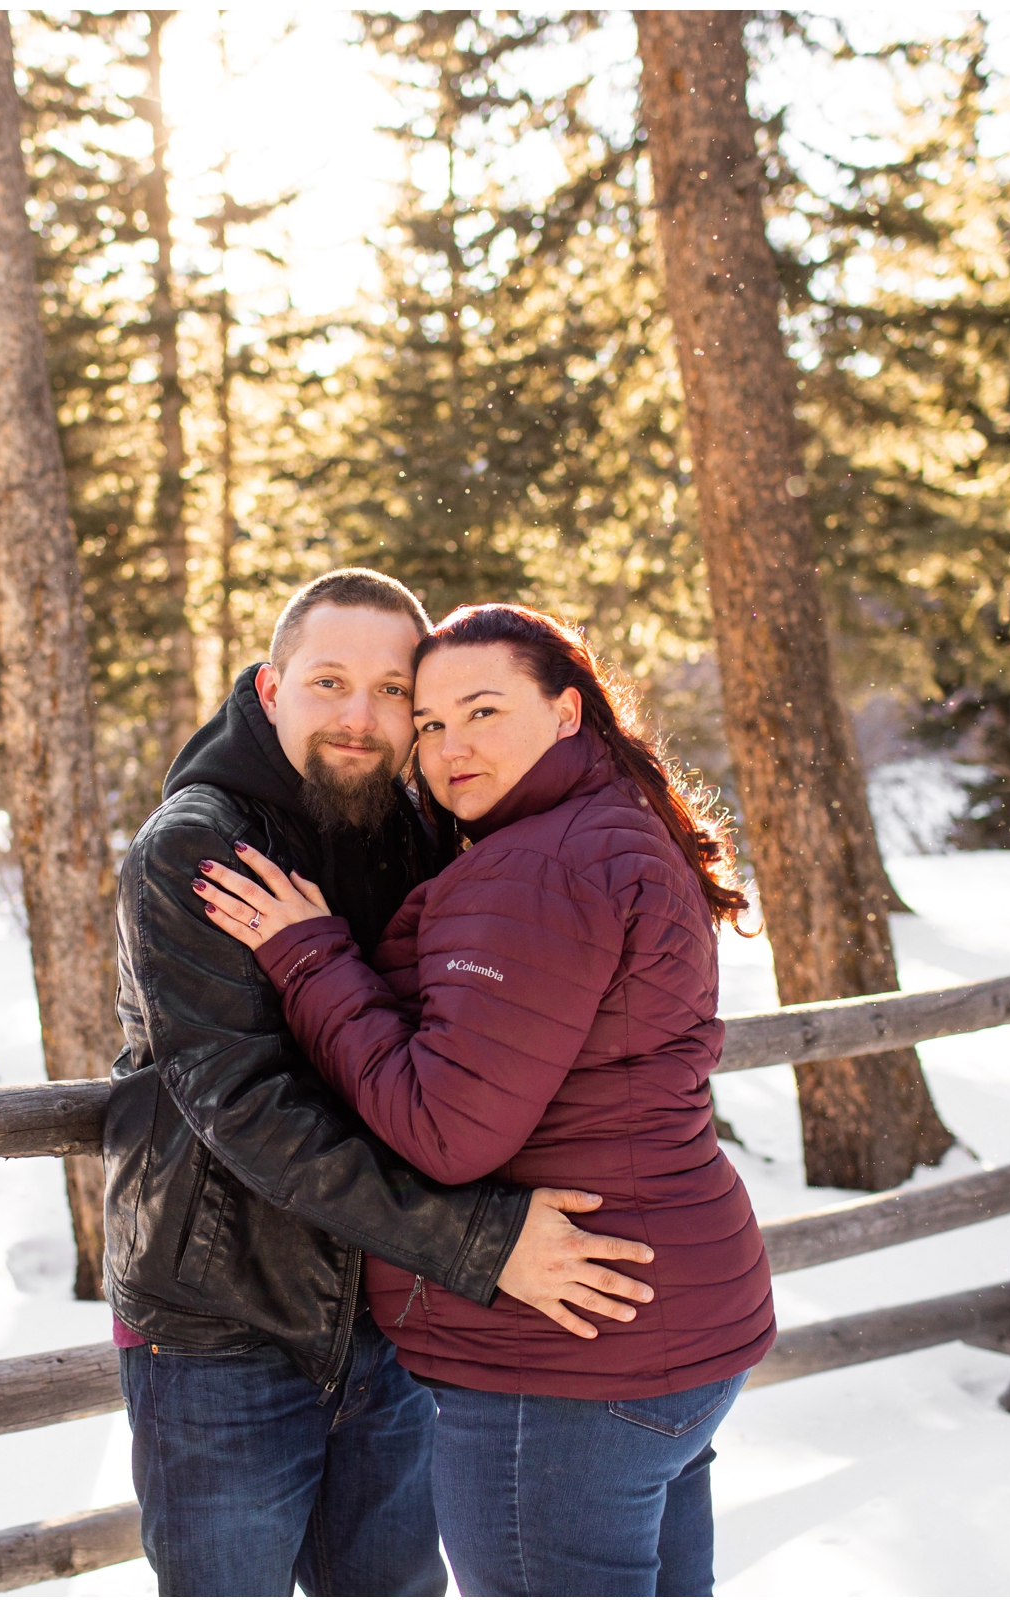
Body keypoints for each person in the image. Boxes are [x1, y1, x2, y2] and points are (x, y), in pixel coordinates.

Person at [194, 603, 777, 1597]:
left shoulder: (536, 864)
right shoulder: (600, 830)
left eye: (482, 709)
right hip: (669, 1326)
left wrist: (311, 956)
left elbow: (445, 1129)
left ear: (564, 711)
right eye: (426, 721)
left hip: (564, 1361)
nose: (448, 744)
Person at [104, 570, 664, 1597]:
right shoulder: (197, 846)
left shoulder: (416, 831)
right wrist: (482, 1241)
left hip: (390, 1320)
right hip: (222, 1329)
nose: (361, 718)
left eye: (392, 689)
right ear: (271, 690)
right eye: (328, 682)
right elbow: (246, 1109)